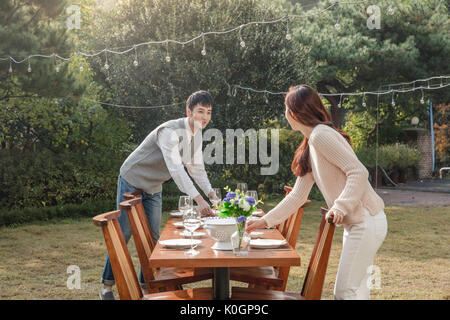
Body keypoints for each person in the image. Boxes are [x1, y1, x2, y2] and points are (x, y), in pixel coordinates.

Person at [246, 84, 388, 300]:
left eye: (286, 109)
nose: (285, 114)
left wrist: (340, 206)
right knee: (357, 291)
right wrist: (264, 221)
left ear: (294, 112)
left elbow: (358, 172)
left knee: (344, 291)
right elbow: (297, 196)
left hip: (367, 220)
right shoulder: (311, 142)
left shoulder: (321, 135)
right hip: (361, 222)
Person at [99, 90, 219, 300]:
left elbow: (196, 168)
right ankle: (106, 286)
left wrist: (212, 195)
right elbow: (176, 169)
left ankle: (147, 285)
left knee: (153, 239)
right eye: (200, 111)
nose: (205, 117)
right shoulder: (169, 132)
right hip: (132, 179)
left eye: (208, 112)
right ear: (188, 111)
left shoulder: (196, 134)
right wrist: (199, 200)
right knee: (124, 234)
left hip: (154, 186)